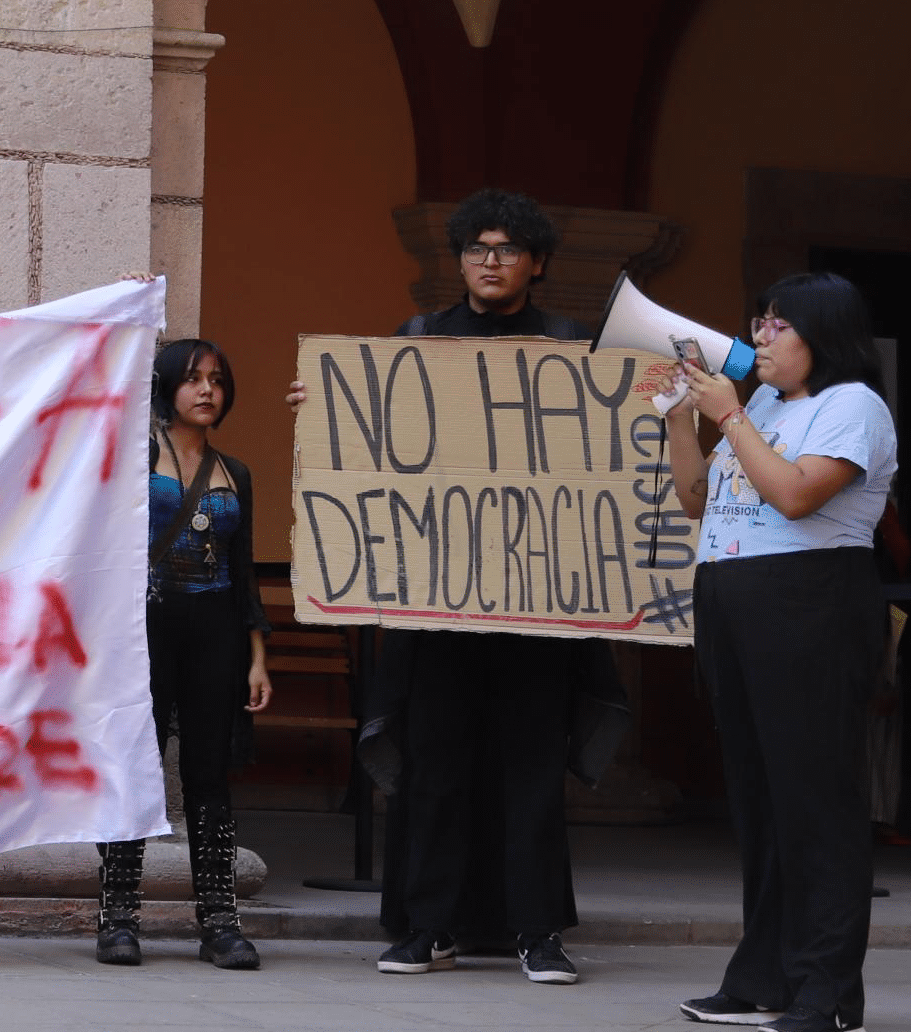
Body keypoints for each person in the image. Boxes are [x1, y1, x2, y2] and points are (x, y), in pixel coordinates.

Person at [286, 188, 621, 985]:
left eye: (506, 249)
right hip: (433, 602)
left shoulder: (569, 344)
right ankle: (424, 925)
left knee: (531, 769)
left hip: (536, 603)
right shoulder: (419, 338)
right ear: (460, 257)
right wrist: (327, 407)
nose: (490, 261)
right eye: (476, 248)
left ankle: (536, 931)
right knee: (433, 765)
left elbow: (601, 458)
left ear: (535, 263)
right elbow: (380, 452)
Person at [668, 273, 896, 1032]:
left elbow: (795, 494)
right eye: (758, 322)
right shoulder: (762, 405)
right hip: (737, 601)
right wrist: (677, 419)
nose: (758, 336)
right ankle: (763, 973)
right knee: (760, 799)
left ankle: (827, 992)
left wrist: (728, 412)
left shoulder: (852, 405)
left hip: (811, 604)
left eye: (776, 325)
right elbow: (697, 498)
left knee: (816, 802)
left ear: (821, 334)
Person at [97, 338, 272, 970]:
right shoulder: (137, 455)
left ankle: (220, 923)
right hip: (143, 628)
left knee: (208, 773)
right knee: (133, 768)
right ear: (167, 387)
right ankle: (117, 919)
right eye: (193, 379)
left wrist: (256, 654)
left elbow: (243, 568)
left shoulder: (238, 473)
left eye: (217, 381)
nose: (206, 391)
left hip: (217, 632)